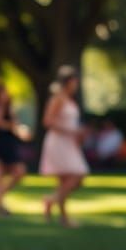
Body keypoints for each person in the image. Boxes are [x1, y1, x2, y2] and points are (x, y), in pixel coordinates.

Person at [39, 65, 88, 228]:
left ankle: (58, 211)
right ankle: (54, 205)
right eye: (75, 81)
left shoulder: (70, 100)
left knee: (69, 180)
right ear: (68, 82)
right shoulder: (58, 99)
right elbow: (48, 121)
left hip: (69, 143)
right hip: (59, 142)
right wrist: (71, 131)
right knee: (76, 175)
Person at [0, 86, 26, 216]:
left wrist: (20, 131)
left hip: (9, 144)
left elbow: (15, 124)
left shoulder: (10, 108)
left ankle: (0, 196)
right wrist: (11, 126)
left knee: (19, 171)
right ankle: (0, 205)